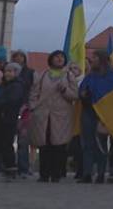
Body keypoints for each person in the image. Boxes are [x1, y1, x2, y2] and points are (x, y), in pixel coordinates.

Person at [29, 50, 79, 182]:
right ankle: (44, 174)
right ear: (51, 59)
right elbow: (34, 92)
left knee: (59, 145)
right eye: (57, 57)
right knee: (44, 144)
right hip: (43, 114)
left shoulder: (69, 76)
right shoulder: (43, 74)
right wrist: (34, 106)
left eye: (62, 57)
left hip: (61, 115)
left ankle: (56, 173)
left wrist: (64, 90)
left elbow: (75, 95)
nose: (59, 59)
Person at [0, 61, 26, 181]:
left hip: (7, 119)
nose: (7, 73)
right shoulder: (6, 85)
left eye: (10, 71)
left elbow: (10, 101)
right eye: (6, 71)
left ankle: (10, 171)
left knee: (6, 145)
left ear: (16, 73)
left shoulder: (16, 86)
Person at [79, 50, 113, 184]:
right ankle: (87, 173)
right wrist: (83, 94)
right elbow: (81, 90)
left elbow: (112, 94)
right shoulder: (90, 76)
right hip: (88, 112)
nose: (91, 59)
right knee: (87, 144)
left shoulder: (111, 76)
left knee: (101, 144)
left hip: (103, 113)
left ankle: (100, 174)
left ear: (102, 59)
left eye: (94, 57)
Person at [11, 50, 35, 178]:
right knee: (7, 139)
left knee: (23, 140)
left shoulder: (30, 73)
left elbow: (34, 89)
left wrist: (31, 104)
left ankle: (23, 168)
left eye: (21, 56)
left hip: (25, 108)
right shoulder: (9, 71)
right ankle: (7, 166)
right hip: (10, 108)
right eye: (16, 57)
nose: (19, 59)